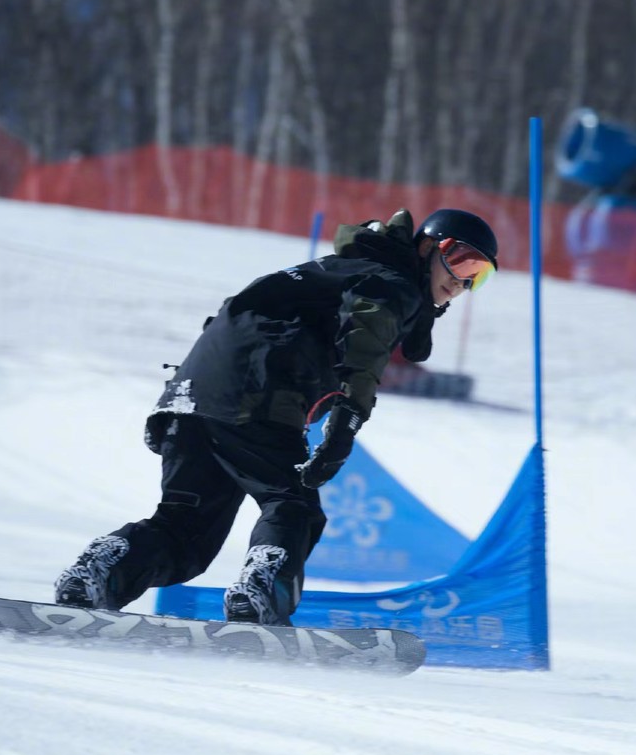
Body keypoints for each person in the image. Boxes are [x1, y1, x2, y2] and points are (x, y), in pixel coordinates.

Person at [53, 208, 499, 625]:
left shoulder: (335, 269)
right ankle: (263, 594)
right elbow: (368, 336)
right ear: (426, 247)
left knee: (186, 532)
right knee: (293, 507)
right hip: (256, 394)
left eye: (478, 276)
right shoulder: (389, 281)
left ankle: (99, 573)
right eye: (461, 260)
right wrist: (347, 418)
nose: (462, 281)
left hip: (192, 396)